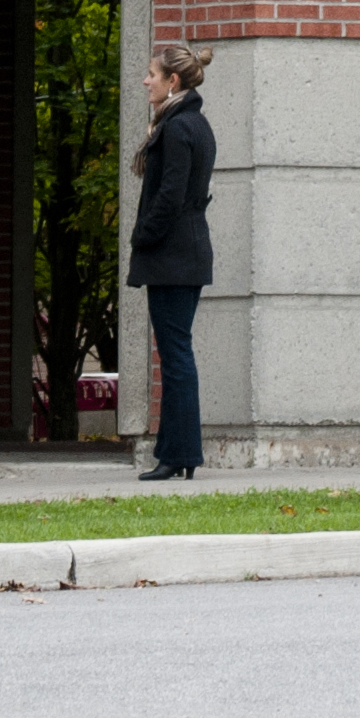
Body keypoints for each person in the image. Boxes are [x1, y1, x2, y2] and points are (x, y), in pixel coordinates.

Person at [129, 41, 217, 478]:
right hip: (186, 253)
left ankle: (178, 455)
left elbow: (171, 195)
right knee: (176, 352)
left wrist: (143, 235)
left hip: (173, 256)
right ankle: (177, 454)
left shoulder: (179, 127)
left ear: (173, 81)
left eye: (152, 74)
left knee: (176, 354)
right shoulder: (194, 124)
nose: (146, 81)